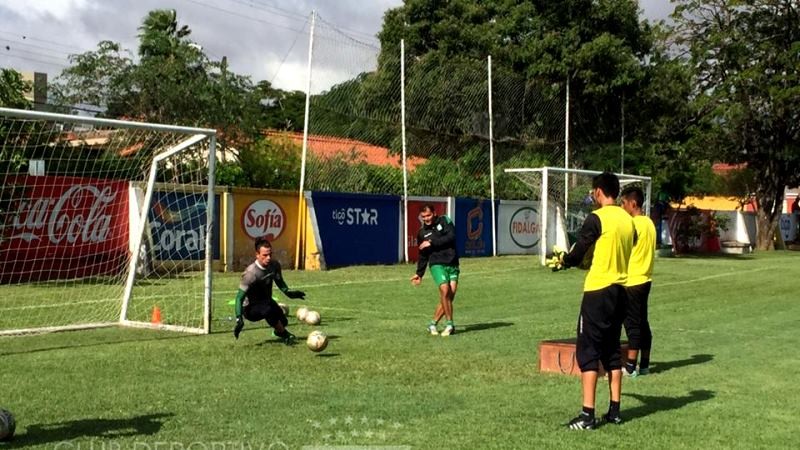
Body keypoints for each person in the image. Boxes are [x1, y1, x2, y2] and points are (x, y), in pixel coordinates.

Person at [552, 172, 635, 430]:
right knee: (611, 349)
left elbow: (578, 253)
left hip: (598, 290)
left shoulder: (596, 217)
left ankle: (587, 415)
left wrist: (563, 260)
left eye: (593, 192)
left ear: (599, 191)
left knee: (587, 350)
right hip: (621, 290)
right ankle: (615, 411)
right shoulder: (628, 220)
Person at [233, 237, 306, 344]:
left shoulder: (274, 265)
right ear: (257, 255)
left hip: (266, 301)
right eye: (265, 255)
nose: (268, 258)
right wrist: (239, 319)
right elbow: (239, 298)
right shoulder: (251, 274)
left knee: (283, 321)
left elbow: (280, 282)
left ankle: (278, 331)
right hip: (250, 309)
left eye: (270, 254)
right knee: (268, 311)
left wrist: (290, 293)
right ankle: (286, 335)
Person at [620, 186, 656, 377]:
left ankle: (631, 366)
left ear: (633, 203)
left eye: (623, 203)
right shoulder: (649, 223)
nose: (622, 207)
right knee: (643, 322)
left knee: (632, 323)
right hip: (646, 278)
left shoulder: (634, 225)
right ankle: (645, 364)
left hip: (632, 280)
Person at [411, 204, 459, 336]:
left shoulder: (445, 221)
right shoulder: (422, 233)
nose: (426, 219)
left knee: (449, 296)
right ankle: (450, 325)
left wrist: (432, 242)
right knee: (445, 290)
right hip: (436, 263)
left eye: (428, 215)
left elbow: (451, 237)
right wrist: (419, 273)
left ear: (434, 213)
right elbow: (423, 254)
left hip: (452, 262)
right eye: (423, 216)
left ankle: (432, 324)